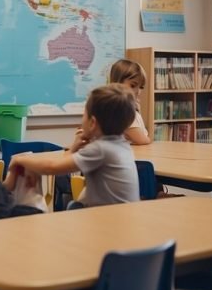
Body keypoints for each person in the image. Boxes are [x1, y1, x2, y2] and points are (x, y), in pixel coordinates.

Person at [10, 83, 140, 208]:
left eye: (84, 114)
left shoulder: (99, 149)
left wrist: (20, 160)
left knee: (73, 207)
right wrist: (74, 149)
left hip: (110, 220)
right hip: (122, 215)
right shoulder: (121, 145)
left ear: (92, 122)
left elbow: (51, 168)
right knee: (75, 205)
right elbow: (64, 162)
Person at [109, 58, 151, 144]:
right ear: (117, 83)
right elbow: (141, 139)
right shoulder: (122, 110)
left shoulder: (127, 108)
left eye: (141, 87)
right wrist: (148, 139)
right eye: (133, 85)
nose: (138, 91)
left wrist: (138, 112)